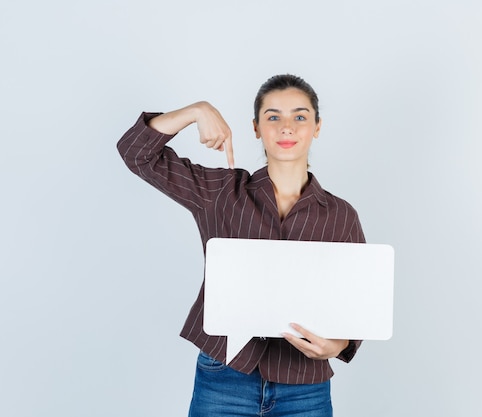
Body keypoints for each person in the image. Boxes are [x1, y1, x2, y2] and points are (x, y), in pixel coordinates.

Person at [117, 74, 366, 417]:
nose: (287, 128)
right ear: (256, 128)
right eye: (273, 117)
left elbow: (359, 299)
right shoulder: (222, 193)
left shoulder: (340, 215)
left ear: (317, 127)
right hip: (225, 377)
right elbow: (136, 153)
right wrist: (196, 111)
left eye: (300, 116)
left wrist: (340, 344)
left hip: (305, 386)